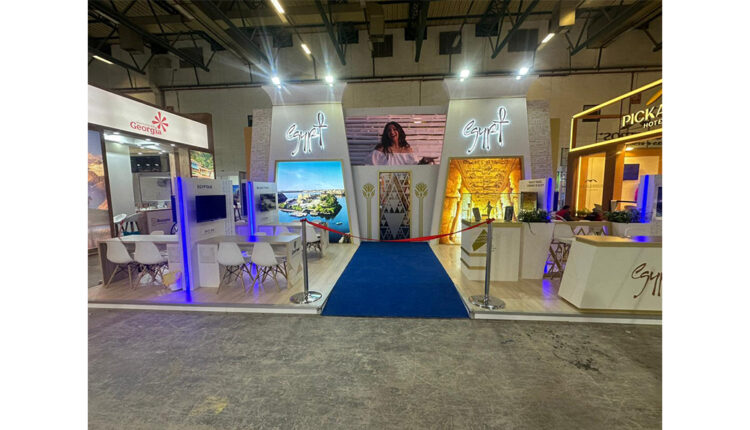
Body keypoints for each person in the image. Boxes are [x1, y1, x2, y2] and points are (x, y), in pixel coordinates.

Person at [367, 122, 434, 166]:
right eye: (389, 130)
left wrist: (423, 161)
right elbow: (369, 167)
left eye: (394, 129)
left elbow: (415, 168)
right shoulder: (381, 150)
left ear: (399, 131)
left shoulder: (407, 150)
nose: (392, 132)